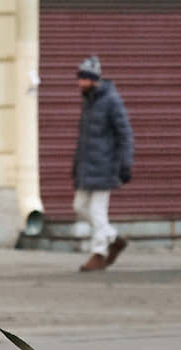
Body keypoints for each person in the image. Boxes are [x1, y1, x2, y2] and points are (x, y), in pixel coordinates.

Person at [72, 55, 134, 272]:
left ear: (93, 79)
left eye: (83, 78)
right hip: (87, 168)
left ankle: (99, 252)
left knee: (98, 211)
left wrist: (125, 164)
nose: (79, 82)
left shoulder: (111, 100)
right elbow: (84, 140)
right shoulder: (89, 101)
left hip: (106, 166)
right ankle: (114, 237)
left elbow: (125, 134)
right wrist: (76, 167)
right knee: (79, 206)